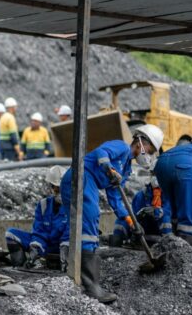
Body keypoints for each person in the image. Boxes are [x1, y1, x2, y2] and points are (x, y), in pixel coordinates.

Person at [60, 125, 165, 304]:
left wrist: (131, 221)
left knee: (87, 224)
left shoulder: (126, 169)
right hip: (80, 176)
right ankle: (90, 286)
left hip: (87, 182)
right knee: (91, 217)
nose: (149, 154)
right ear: (141, 142)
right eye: (150, 150)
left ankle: (82, 279)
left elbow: (116, 198)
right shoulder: (121, 147)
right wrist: (109, 168)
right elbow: (101, 152)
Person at [5, 165, 67, 268]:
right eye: (56, 190)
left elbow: (69, 235)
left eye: (61, 190)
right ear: (51, 187)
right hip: (45, 246)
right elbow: (39, 232)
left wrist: (66, 253)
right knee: (11, 234)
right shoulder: (43, 205)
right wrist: (36, 248)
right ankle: (21, 267)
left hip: (63, 248)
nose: (59, 194)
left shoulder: (72, 207)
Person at [109, 177, 165, 246]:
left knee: (165, 220)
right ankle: (118, 242)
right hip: (142, 230)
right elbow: (134, 214)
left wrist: (158, 212)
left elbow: (172, 213)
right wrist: (134, 223)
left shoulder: (171, 195)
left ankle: (168, 242)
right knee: (122, 220)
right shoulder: (142, 194)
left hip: (160, 233)